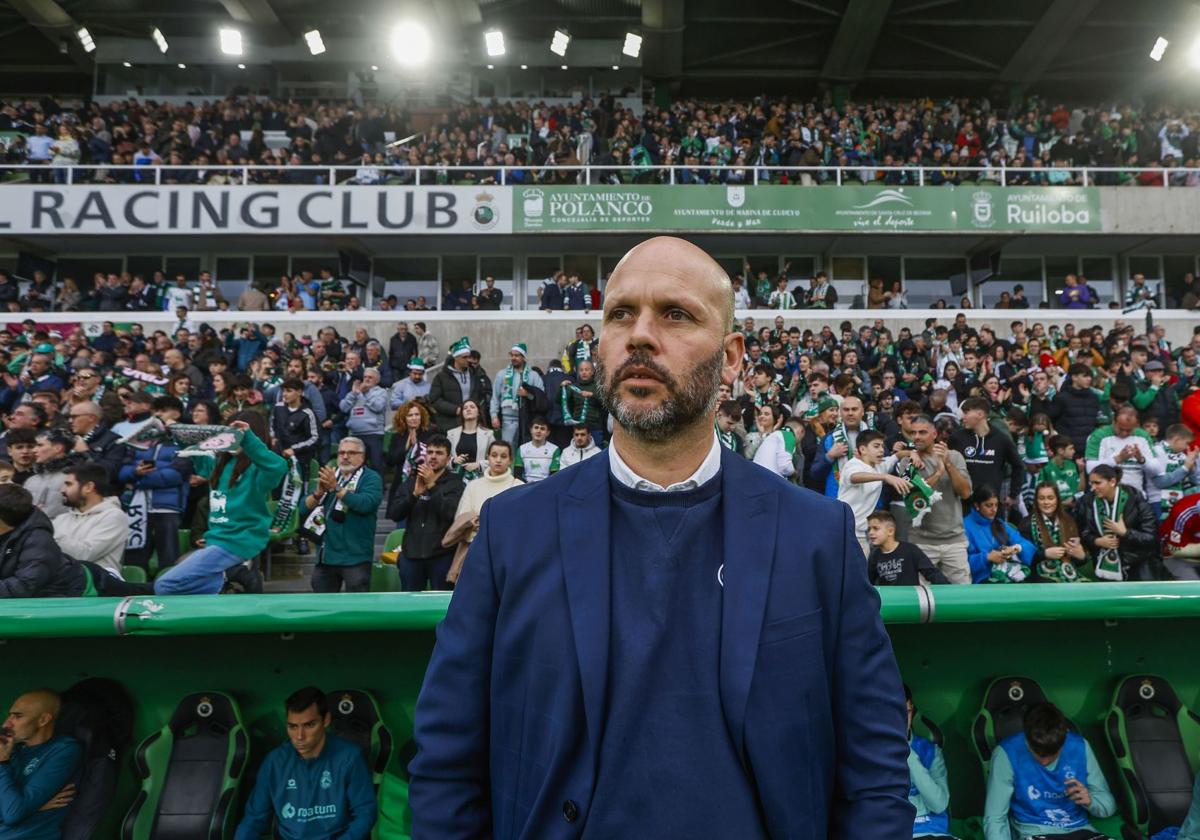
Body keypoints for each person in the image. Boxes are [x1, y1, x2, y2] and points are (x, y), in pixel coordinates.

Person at [408, 236, 912, 838]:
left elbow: (874, 763)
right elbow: (447, 756)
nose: (640, 334)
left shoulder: (816, 534)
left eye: (675, 314)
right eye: (621, 313)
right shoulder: (513, 531)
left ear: (732, 359)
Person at [154, 413, 288, 595]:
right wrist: (178, 432)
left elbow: (278, 465)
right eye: (230, 434)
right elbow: (198, 455)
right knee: (196, 587)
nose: (233, 439)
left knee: (165, 585)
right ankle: (224, 580)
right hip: (215, 540)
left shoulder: (258, 471)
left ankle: (228, 578)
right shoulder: (221, 464)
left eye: (237, 435)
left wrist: (247, 438)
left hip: (237, 542)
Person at [233, 686, 376, 840]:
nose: (299, 736)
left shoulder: (349, 757)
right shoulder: (274, 762)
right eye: (293, 727)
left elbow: (365, 814)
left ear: (326, 720)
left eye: (309, 725)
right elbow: (253, 821)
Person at [983, 702, 1116, 840]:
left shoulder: (1079, 746)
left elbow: (1108, 807)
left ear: (1064, 740)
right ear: (1027, 738)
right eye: (1037, 753)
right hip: (1036, 832)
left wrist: (1091, 801)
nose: (1044, 762)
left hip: (1080, 829)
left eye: (1051, 754)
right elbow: (995, 818)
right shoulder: (1007, 752)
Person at [117, 397, 192, 573]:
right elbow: (122, 470)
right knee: (135, 554)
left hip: (167, 508)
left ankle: (170, 591)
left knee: (168, 557)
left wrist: (140, 480)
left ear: (177, 413)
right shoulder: (140, 440)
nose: (158, 415)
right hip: (138, 506)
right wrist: (135, 472)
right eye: (155, 411)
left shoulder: (185, 441)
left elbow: (177, 474)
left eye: (164, 410)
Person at [300, 437, 383, 594]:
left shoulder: (371, 478)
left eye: (351, 453)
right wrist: (318, 493)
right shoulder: (329, 475)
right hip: (326, 557)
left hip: (355, 558)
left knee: (357, 610)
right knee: (322, 610)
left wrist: (336, 488)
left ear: (362, 457)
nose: (345, 457)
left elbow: (366, 504)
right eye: (341, 453)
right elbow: (302, 508)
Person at [387, 435, 464, 592]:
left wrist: (432, 486)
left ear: (449, 457)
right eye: (430, 452)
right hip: (411, 555)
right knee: (409, 607)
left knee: (441, 606)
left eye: (439, 453)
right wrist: (414, 495)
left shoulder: (456, 483)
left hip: (442, 555)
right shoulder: (411, 481)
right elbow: (394, 514)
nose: (433, 456)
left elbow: (451, 514)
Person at [0, 689, 81, 838]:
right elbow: (14, 809)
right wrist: (35, 807)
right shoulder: (11, 749)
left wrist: (2, 762)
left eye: (17, 716)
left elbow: (12, 813)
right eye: (9, 715)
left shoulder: (63, 750)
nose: (7, 724)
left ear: (43, 720)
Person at [903, 415, 974, 584]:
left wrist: (947, 464)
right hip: (921, 542)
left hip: (954, 540)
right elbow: (916, 495)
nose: (917, 437)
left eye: (922, 432)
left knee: (961, 595)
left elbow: (965, 493)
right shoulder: (908, 461)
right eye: (913, 433)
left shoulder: (954, 456)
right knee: (922, 598)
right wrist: (939, 472)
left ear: (934, 434)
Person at [445, 440, 524, 583]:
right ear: (488, 457)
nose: (498, 460)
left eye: (503, 456)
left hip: (507, 555)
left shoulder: (519, 487)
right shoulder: (473, 486)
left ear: (511, 460)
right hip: (474, 553)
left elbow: (523, 523)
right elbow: (461, 519)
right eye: (494, 455)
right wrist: (472, 522)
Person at [1077, 464, 1161, 581]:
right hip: (1102, 563)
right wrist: (1096, 541)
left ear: (1112, 481)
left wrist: (1125, 533)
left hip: (1136, 564)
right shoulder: (1087, 502)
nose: (1093, 488)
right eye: (1091, 483)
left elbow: (1151, 538)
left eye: (1097, 483)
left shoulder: (1135, 500)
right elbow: (1083, 531)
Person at [839, 429, 909, 557]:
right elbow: (854, 477)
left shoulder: (879, 466)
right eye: (876, 446)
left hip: (860, 533)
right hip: (843, 531)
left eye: (882, 446)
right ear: (863, 449)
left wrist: (911, 454)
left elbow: (896, 456)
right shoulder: (853, 464)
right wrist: (885, 477)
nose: (881, 450)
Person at [53, 462, 129, 580]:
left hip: (99, 586)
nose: (62, 490)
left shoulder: (113, 517)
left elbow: (85, 554)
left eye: (68, 484)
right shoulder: (61, 519)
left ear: (88, 487)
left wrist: (48, 533)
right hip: (63, 583)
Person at [949, 397, 1025, 511]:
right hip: (962, 503)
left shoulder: (1001, 440)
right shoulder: (956, 438)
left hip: (991, 505)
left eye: (966, 413)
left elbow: (1018, 466)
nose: (963, 417)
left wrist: (1013, 494)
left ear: (980, 414)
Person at [904, 685, 955, 839]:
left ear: (912, 709)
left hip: (934, 831)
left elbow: (939, 805)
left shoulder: (930, 751)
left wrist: (908, 754)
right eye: (894, 713)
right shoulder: (872, 752)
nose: (901, 720)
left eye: (906, 712)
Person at [964, 486, 1036, 584]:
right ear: (977, 505)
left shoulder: (999, 523)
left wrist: (1016, 548)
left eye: (996, 505)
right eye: (989, 505)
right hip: (983, 581)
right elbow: (961, 562)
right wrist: (987, 557)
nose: (994, 510)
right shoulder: (965, 526)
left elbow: (1026, 544)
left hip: (1008, 574)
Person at [1020, 482, 1087, 583]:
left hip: (1068, 573)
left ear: (1057, 500)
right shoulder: (1026, 523)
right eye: (1041, 498)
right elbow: (1023, 556)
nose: (1046, 502)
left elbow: (1075, 562)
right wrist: (1045, 554)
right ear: (1036, 501)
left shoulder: (1069, 521)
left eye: (1050, 498)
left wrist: (1081, 556)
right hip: (1039, 576)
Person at [867, 511, 950, 586]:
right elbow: (869, 581)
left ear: (890, 531)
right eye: (869, 529)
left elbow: (931, 573)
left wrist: (948, 590)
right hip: (889, 601)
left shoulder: (910, 550)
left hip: (911, 600)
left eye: (876, 528)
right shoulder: (874, 555)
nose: (870, 533)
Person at [490, 343, 546, 446]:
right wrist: (494, 416)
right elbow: (495, 397)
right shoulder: (502, 374)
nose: (513, 358)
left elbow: (541, 397)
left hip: (527, 419)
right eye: (512, 355)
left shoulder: (533, 375)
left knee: (525, 447)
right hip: (508, 419)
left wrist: (527, 395)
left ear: (523, 357)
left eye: (517, 355)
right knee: (508, 447)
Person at [428, 338, 489, 433]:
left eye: (469, 357)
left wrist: (479, 415)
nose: (468, 360)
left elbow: (481, 397)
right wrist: (455, 410)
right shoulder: (441, 377)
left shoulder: (475, 375)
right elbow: (435, 400)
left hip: (472, 423)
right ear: (456, 358)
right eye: (464, 357)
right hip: (449, 423)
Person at [23, 429, 81, 520]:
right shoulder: (31, 480)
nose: (34, 450)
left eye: (40, 445)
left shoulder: (75, 477)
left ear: (58, 448)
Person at [338, 367, 387, 473]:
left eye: (370, 377)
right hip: (356, 435)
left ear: (377, 380)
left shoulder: (381, 392)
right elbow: (343, 407)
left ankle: (378, 489)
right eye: (365, 377)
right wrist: (354, 393)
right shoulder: (356, 392)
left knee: (376, 465)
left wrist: (363, 394)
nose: (367, 379)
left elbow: (378, 407)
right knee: (355, 466)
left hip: (374, 434)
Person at [446, 399, 494, 482]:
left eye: (472, 407)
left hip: (479, 480)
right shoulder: (451, 434)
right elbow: (443, 459)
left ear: (478, 412)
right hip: (455, 480)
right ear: (462, 413)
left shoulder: (488, 434)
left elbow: (495, 459)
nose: (468, 409)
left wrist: (479, 465)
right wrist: (453, 461)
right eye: (465, 408)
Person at [1038, 435, 1083, 510]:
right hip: (1053, 509)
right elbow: (1040, 493)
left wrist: (1081, 472)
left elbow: (1080, 490)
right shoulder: (1046, 468)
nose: (1074, 451)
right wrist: (1060, 504)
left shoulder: (1072, 465)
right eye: (1071, 448)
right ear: (1060, 451)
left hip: (1072, 509)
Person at [513, 417, 561, 484]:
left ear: (547, 433)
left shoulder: (554, 449)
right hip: (525, 486)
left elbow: (554, 475)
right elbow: (517, 474)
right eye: (536, 427)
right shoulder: (522, 448)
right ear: (531, 430)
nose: (538, 431)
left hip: (545, 485)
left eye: (542, 429)